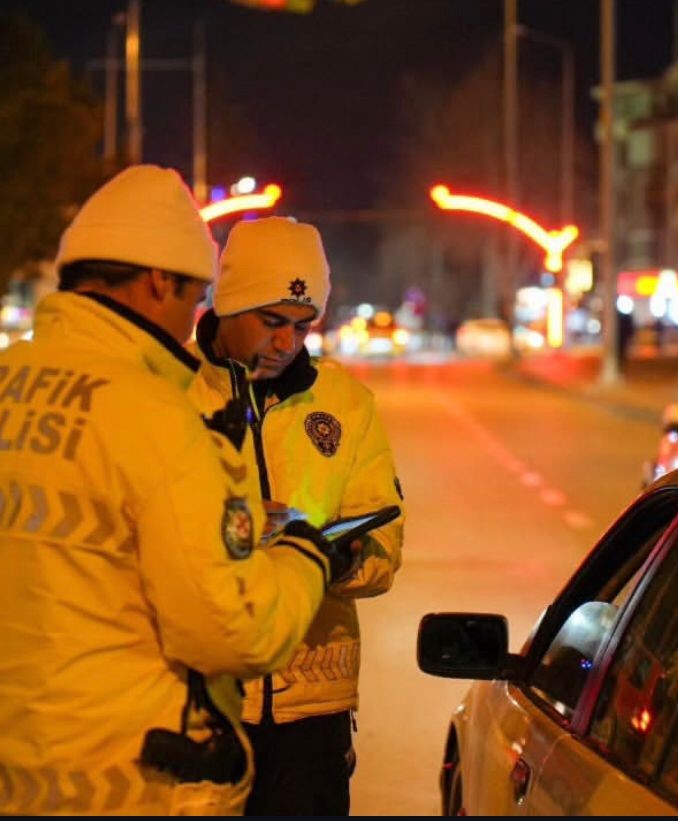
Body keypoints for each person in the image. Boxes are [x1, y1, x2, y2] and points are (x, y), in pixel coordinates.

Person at [0, 166, 351, 815]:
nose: (193, 317)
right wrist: (303, 555)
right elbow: (235, 631)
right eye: (194, 294)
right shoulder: (156, 412)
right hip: (113, 789)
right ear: (158, 280)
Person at [188, 216, 405, 815]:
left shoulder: (346, 405)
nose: (288, 343)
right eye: (272, 322)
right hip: (195, 706)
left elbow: (385, 540)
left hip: (312, 713)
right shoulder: (170, 392)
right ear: (227, 305)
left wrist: (345, 559)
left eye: (303, 325)